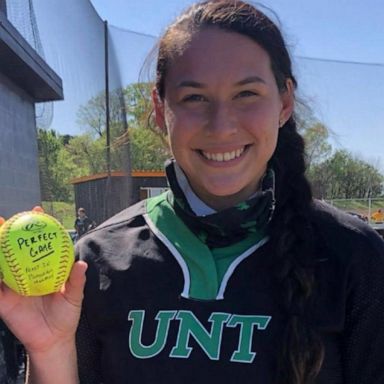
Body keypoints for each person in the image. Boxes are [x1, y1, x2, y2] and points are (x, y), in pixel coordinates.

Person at [0, 1, 384, 383]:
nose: (221, 126)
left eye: (246, 93)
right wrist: (49, 350)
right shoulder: (94, 263)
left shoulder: (356, 257)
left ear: (284, 103)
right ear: (158, 107)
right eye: (194, 97)